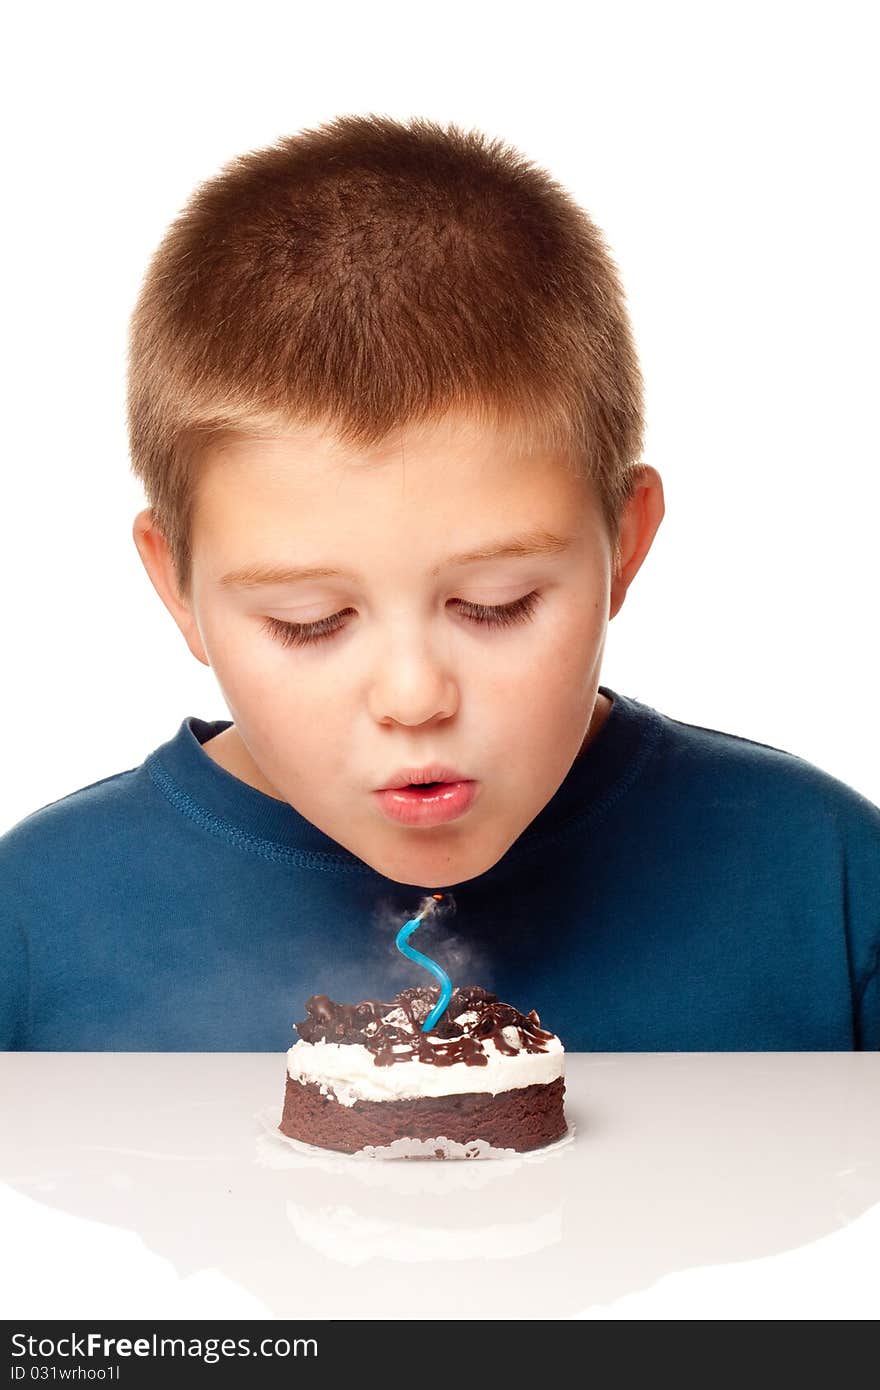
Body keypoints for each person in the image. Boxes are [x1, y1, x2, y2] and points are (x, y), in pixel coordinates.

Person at [1, 114, 877, 1051]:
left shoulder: (827, 882)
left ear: (624, 544)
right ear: (178, 588)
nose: (414, 697)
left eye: (496, 605)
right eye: (310, 621)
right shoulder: (34, 925)